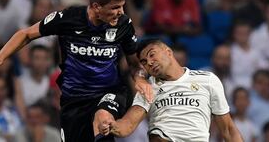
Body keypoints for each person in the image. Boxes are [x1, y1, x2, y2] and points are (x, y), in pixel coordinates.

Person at [0, 0, 152, 142]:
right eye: (115, 7)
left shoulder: (123, 24)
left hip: (109, 92)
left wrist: (141, 79)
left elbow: (134, 63)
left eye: (122, 6)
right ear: (97, 6)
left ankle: (104, 116)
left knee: (103, 118)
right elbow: (26, 34)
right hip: (74, 99)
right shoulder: (68, 18)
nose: (120, 12)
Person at [100, 38, 244, 142]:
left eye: (152, 55)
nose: (149, 63)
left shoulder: (208, 79)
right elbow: (128, 124)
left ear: (168, 51)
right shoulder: (149, 87)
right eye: (144, 62)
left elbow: (228, 130)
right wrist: (112, 125)